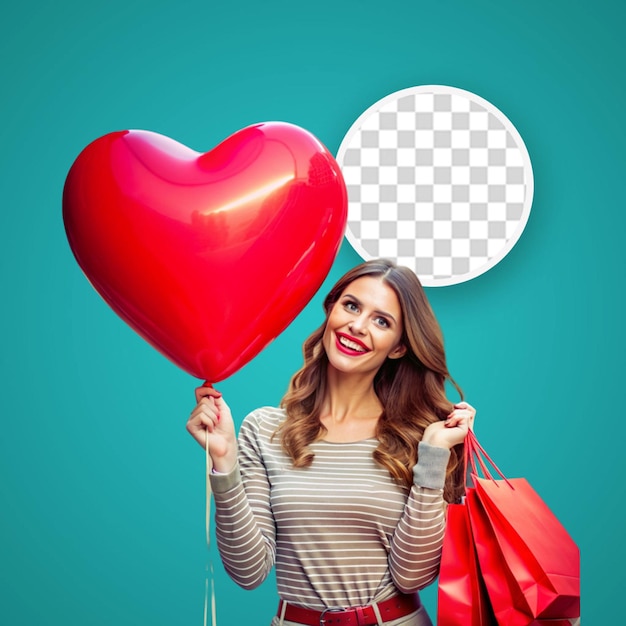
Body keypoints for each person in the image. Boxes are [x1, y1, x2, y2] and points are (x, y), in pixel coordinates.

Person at [187, 258, 475, 626]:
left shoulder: (422, 436)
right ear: (331, 308)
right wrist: (224, 463)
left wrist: (433, 459)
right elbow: (248, 572)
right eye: (351, 305)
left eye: (381, 320)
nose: (357, 326)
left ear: (399, 347)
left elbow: (412, 577)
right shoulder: (265, 429)